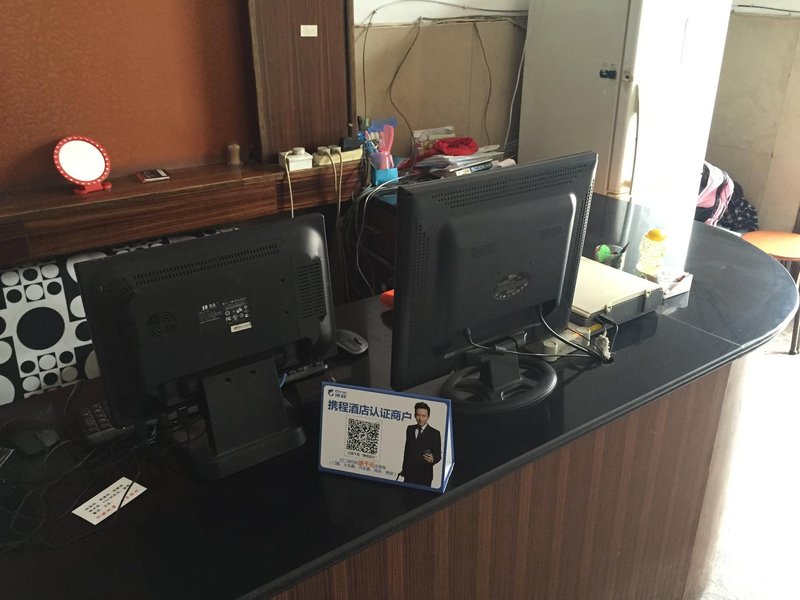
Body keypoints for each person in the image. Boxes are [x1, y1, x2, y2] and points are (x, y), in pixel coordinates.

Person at [400, 402, 441, 487]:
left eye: (423, 416)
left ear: (428, 417)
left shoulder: (435, 433)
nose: (420, 418)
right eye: (418, 415)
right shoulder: (410, 429)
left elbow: (438, 455)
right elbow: (407, 451)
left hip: (424, 476)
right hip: (409, 475)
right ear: (415, 415)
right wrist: (404, 469)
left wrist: (433, 460)